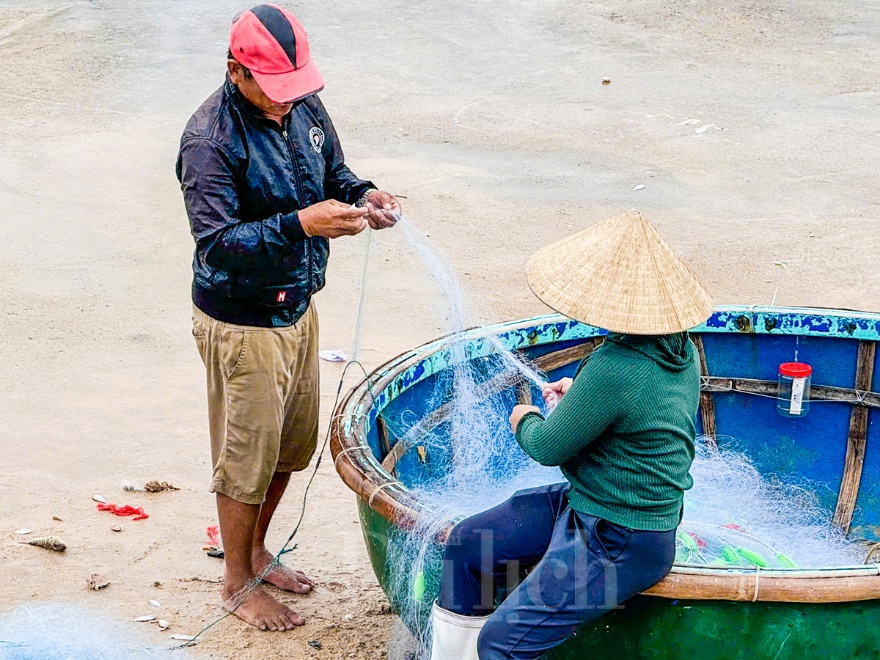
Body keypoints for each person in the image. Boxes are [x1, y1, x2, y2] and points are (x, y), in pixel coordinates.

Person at [176, 4, 400, 632]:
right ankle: (235, 583)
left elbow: (335, 173)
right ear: (235, 72)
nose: (285, 105)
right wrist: (302, 224)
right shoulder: (209, 141)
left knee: (290, 447)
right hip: (242, 323)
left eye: (294, 92)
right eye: (273, 93)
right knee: (245, 456)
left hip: (298, 306)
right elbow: (217, 244)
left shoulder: (300, 105)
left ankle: (253, 550)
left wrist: (364, 196)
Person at [431, 210, 715, 659]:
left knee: (503, 643)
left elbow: (545, 446)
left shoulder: (615, 366)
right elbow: (636, 415)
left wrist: (522, 416)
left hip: (622, 539)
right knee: (470, 544)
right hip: (587, 505)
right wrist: (579, 398)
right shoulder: (681, 350)